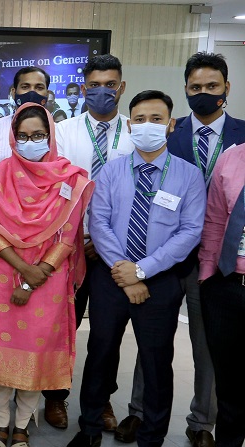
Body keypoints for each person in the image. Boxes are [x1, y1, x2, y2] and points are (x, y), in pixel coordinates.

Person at [69, 90, 206, 447]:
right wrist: (125, 272)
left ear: (171, 125)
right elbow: (99, 222)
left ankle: (151, 437)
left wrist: (142, 271)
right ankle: (89, 430)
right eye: (141, 120)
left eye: (156, 119)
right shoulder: (111, 170)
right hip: (111, 277)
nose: (148, 126)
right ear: (130, 126)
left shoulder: (189, 176)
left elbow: (190, 231)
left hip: (160, 280)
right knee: (100, 354)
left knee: (157, 362)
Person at [0, 103, 93, 447]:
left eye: (38, 135)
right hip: (2, 272)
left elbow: (68, 236)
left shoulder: (70, 178)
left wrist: (36, 275)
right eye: (23, 136)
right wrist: (25, 271)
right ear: (12, 138)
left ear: (50, 135)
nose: (30, 142)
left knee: (36, 352)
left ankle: (22, 425)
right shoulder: (0, 173)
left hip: (49, 277)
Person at [161, 51, 245, 447]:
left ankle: (201, 423)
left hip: (218, 261)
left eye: (212, 86)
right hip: (166, 253)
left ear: (226, 87)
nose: (203, 93)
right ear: (185, 89)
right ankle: (139, 412)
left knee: (210, 347)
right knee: (154, 339)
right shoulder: (167, 132)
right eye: (195, 87)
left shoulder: (243, 137)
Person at [50, 54, 133, 430]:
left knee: (106, 334)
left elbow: (138, 197)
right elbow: (54, 193)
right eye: (95, 85)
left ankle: (100, 402)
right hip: (69, 248)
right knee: (61, 327)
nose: (103, 91)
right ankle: (56, 396)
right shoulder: (63, 132)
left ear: (122, 87)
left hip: (114, 251)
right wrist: (71, 240)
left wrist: (104, 241)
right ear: (84, 88)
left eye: (110, 85)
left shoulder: (134, 132)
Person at [199, 142, 245, 446]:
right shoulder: (231, 158)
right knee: (229, 383)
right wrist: (207, 276)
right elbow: (215, 220)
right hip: (226, 285)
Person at [0, 67, 51, 171]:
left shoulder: (59, 132)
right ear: (13, 93)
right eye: (25, 87)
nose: (32, 93)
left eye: (39, 88)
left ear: (47, 94)